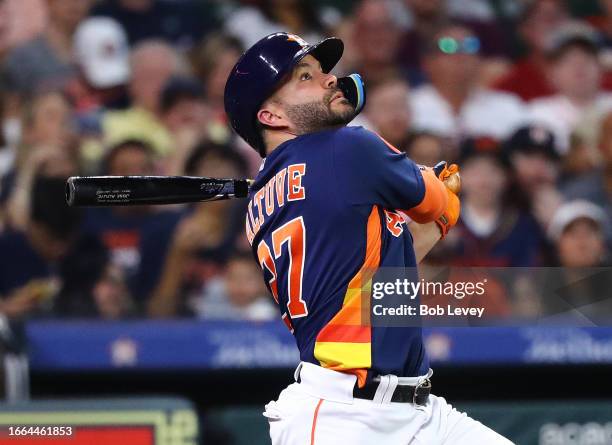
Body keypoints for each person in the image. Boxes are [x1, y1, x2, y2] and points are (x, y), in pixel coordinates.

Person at [224, 32, 510, 444]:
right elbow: (436, 205)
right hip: (343, 420)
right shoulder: (348, 147)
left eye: (324, 71)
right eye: (305, 77)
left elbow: (384, 277)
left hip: (415, 411)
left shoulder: (258, 207)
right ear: (270, 116)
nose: (330, 80)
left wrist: (431, 212)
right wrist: (440, 194)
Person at [410, 23, 525, 141]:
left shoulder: (508, 107)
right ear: (427, 62)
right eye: (448, 46)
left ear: (480, 59)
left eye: (470, 46)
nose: (460, 56)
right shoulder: (410, 106)